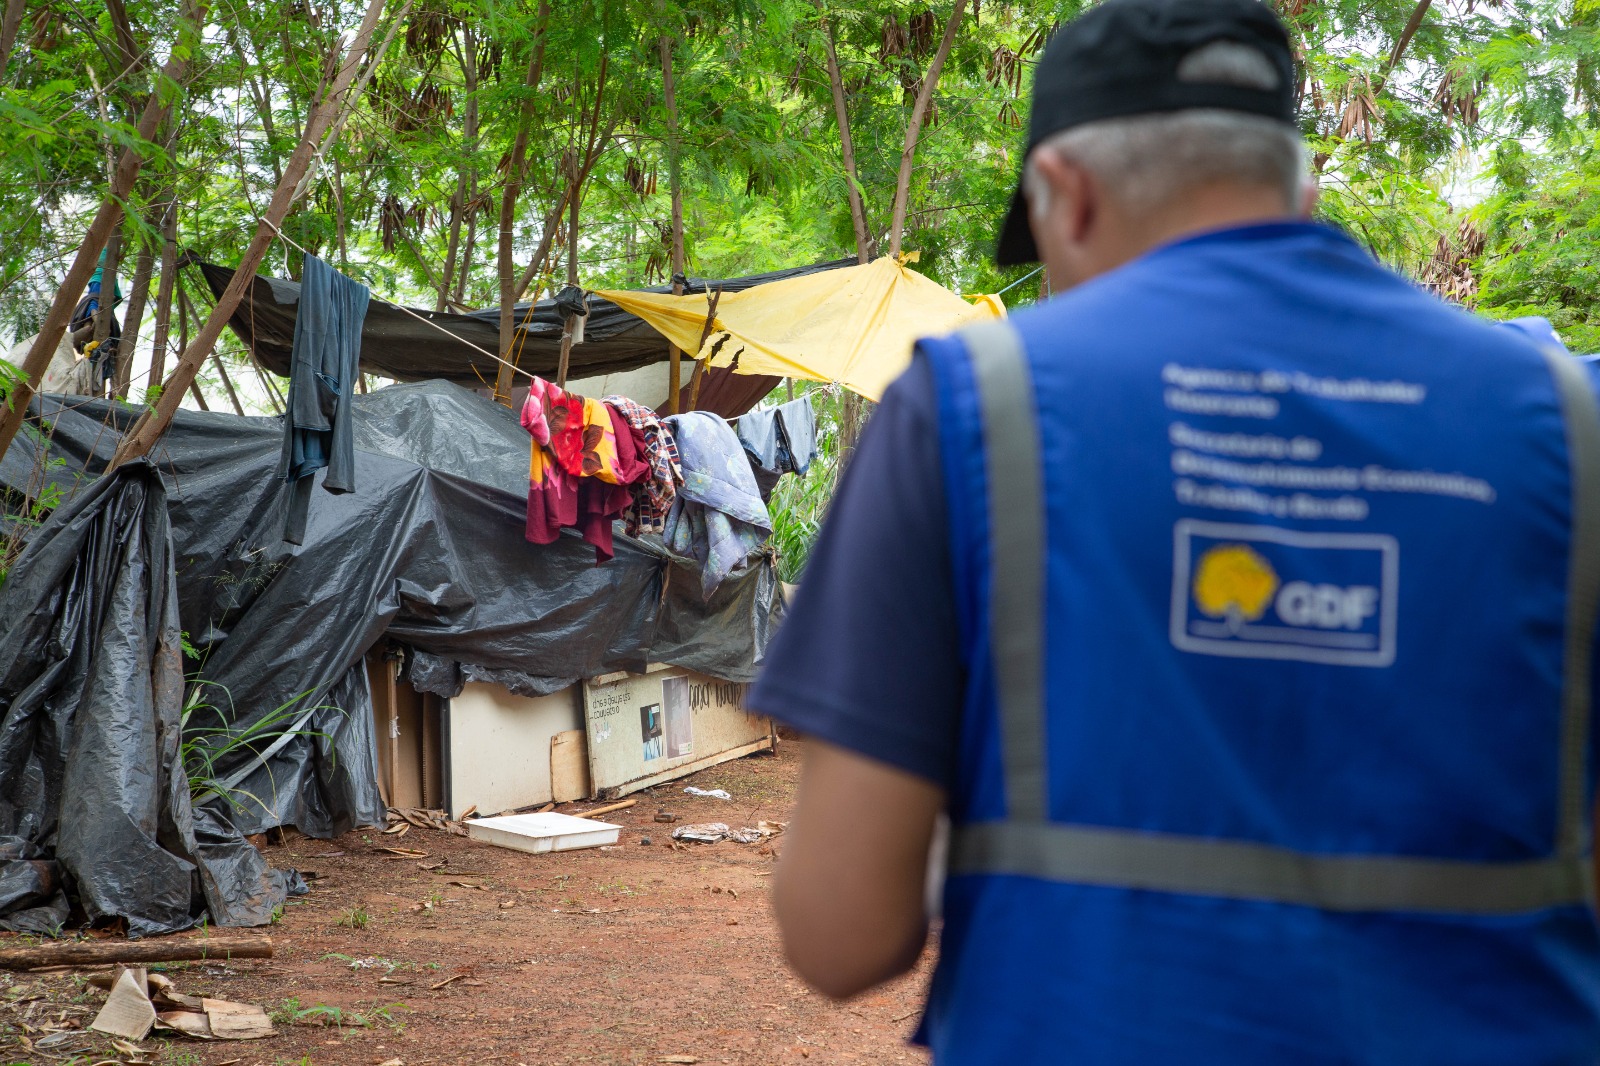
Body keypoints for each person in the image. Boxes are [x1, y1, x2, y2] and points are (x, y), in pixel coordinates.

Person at [753, 0, 1600, 1061]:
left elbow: (838, 935)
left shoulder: (972, 406)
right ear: (1302, 191)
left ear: (1063, 194)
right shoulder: (1566, 420)